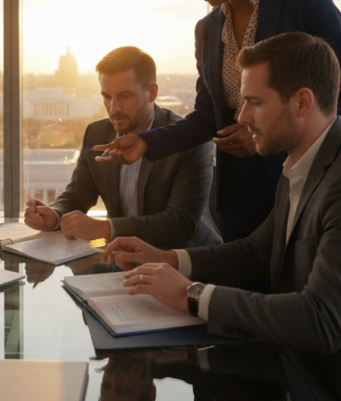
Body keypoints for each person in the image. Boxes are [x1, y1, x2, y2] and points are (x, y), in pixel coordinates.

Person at [105, 33, 341, 401]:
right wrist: (168, 258)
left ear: (301, 102)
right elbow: (258, 251)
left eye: (254, 102)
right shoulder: (304, 162)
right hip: (307, 367)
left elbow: (323, 320)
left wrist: (191, 294)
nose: (242, 116)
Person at [96, 0, 341, 242]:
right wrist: (145, 141)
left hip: (305, 181)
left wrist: (262, 136)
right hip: (239, 193)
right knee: (242, 285)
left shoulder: (304, 1)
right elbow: (208, 116)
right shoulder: (207, 29)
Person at [24, 46, 221, 250]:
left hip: (188, 262)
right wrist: (54, 215)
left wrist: (103, 229)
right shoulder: (96, 132)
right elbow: (78, 195)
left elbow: (180, 224)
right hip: (122, 261)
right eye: (107, 97)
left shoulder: (188, 138)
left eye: (125, 96)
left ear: (152, 93)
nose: (114, 108)